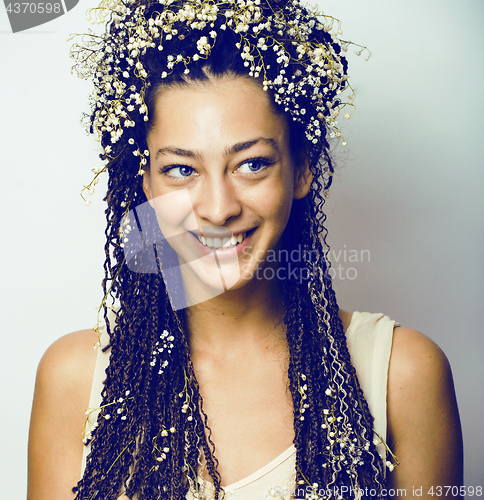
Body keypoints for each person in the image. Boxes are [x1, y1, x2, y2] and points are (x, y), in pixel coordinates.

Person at [27, 0, 463, 498]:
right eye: (181, 169)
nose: (218, 208)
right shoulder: (75, 378)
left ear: (301, 169)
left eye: (251, 164)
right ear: (146, 184)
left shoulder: (401, 374)